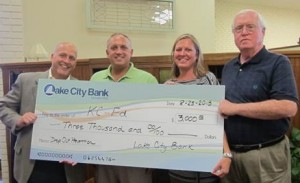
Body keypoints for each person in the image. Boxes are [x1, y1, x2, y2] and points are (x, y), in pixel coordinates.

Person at [219, 9, 298, 183]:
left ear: (263, 32)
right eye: (238, 28)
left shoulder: (278, 62)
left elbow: (288, 107)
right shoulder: (228, 67)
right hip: (231, 157)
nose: (244, 32)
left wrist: (235, 108)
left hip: (266, 157)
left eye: (250, 27)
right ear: (233, 34)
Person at [0, 42, 86, 183]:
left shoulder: (83, 90)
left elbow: (88, 127)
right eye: (62, 55)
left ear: (75, 63)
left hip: (67, 168)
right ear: (52, 57)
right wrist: (19, 119)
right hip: (31, 164)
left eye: (72, 58)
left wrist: (80, 152)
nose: (66, 61)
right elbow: (4, 106)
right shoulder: (26, 80)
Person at [90, 33, 158, 183]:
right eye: (114, 47)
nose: (119, 51)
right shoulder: (95, 79)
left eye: (123, 47)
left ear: (131, 52)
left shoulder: (148, 80)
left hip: (137, 158)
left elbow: (156, 120)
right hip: (104, 157)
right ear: (107, 53)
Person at [165, 33, 231, 183]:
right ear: (173, 55)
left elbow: (218, 121)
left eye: (188, 50)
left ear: (197, 55)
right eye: (178, 49)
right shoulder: (168, 86)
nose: (182, 53)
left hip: (208, 166)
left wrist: (226, 153)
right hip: (178, 167)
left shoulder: (209, 79)